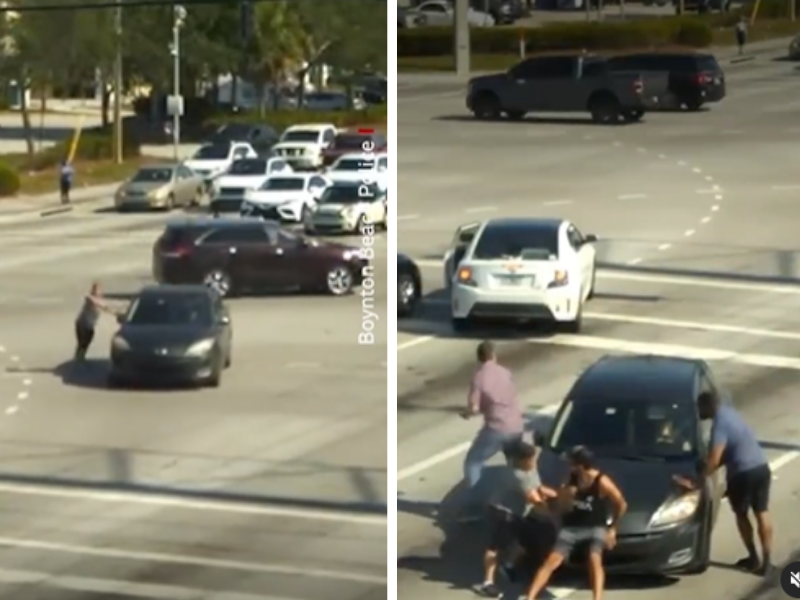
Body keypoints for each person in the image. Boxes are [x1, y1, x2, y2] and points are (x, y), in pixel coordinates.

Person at [674, 391, 773, 575]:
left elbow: (714, 459)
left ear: (707, 407)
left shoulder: (719, 424)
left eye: (700, 409)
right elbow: (733, 448)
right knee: (762, 512)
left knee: (742, 515)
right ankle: (767, 561)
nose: (699, 413)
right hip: (761, 467)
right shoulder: (732, 414)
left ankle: (753, 558)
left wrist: (697, 482)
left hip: (742, 473)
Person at [525, 446, 627, 600]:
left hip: (595, 526)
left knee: (594, 558)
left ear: (580, 465)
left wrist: (612, 529)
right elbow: (563, 502)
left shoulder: (601, 481)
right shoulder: (571, 478)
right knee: (551, 561)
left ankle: (597, 598)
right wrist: (556, 496)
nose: (569, 465)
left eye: (572, 462)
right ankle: (530, 597)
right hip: (572, 528)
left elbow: (621, 504)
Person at [476, 441, 557, 599]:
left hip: (521, 513)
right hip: (504, 513)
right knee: (495, 547)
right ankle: (487, 582)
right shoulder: (516, 475)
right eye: (530, 460)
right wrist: (554, 510)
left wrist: (559, 494)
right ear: (520, 460)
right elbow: (534, 498)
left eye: (533, 459)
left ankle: (508, 565)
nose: (533, 463)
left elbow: (539, 487)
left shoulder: (530, 469)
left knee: (524, 541)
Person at [458, 340, 525, 522]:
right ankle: (523, 499)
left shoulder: (479, 377)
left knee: (473, 462)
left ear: (479, 358)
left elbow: (473, 407)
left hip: (496, 428)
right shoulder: (506, 372)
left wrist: (466, 414)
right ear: (493, 355)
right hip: (517, 425)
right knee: (515, 464)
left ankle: (475, 508)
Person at [74, 282, 110, 362]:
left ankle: (80, 357)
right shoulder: (90, 298)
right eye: (95, 290)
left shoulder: (101, 301)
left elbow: (106, 308)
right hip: (82, 325)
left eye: (98, 290)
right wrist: (102, 305)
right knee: (82, 342)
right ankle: (79, 359)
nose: (96, 292)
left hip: (90, 326)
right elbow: (92, 300)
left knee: (87, 341)